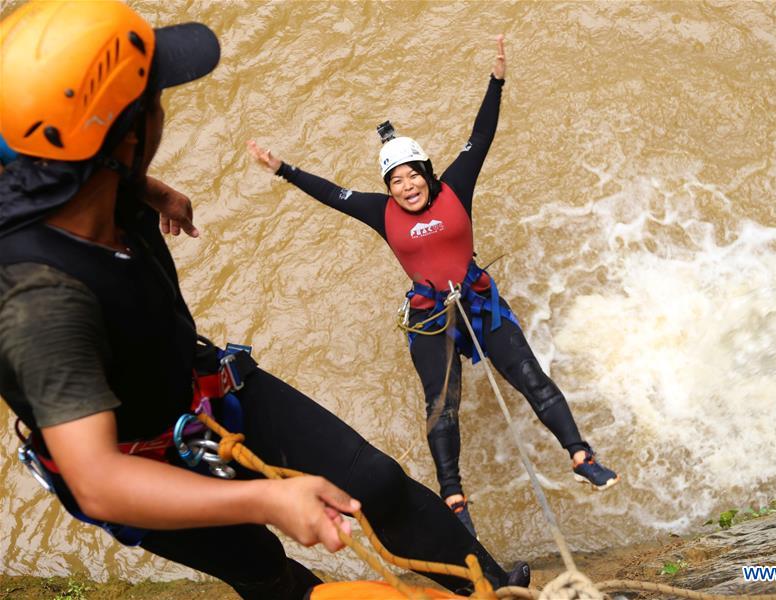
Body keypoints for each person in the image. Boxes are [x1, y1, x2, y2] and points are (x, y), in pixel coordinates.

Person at [0, 2, 527, 598]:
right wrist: (269, 496)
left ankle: (497, 590)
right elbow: (96, 480)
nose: (164, 110)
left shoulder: (83, 174)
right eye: (157, 100)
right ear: (126, 134)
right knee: (264, 568)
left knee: (375, 482)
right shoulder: (38, 302)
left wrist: (146, 187)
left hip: (208, 390)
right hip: (140, 465)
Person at [248, 35, 619, 539]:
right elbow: (331, 195)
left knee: (530, 375)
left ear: (426, 171)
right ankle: (454, 497)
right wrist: (283, 170)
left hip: (479, 301)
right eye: (395, 181)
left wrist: (497, 80)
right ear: (389, 187)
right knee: (441, 407)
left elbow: (480, 136)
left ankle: (581, 455)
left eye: (412, 176)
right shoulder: (379, 212)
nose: (406, 186)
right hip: (429, 314)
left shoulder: (455, 187)